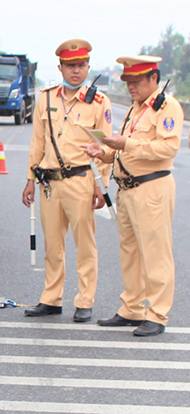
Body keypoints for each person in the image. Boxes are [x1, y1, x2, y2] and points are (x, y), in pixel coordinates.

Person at [82, 55, 183, 337]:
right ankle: (132, 308)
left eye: (137, 82)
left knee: (155, 252)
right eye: (128, 82)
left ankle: (158, 313)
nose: (131, 87)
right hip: (127, 189)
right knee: (130, 253)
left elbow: (167, 149)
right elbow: (121, 148)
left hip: (152, 188)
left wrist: (125, 142)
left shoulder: (167, 107)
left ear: (154, 79)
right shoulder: (136, 109)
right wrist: (102, 150)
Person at [21, 38, 112, 322]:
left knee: (85, 245)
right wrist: (29, 179)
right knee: (53, 245)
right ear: (60, 67)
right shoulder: (46, 98)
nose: (76, 71)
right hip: (49, 182)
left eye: (82, 65)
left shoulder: (99, 102)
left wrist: (101, 185)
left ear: (88, 67)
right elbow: (37, 142)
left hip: (81, 180)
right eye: (71, 66)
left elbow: (105, 146)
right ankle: (51, 298)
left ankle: (84, 300)